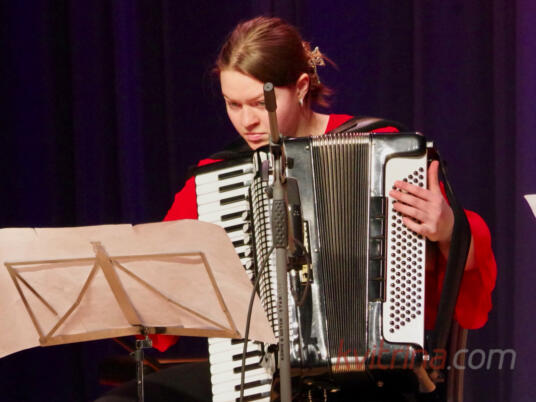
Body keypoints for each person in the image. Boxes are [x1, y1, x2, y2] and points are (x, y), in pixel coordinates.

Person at [99, 16, 497, 402]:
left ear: (302, 86)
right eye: (233, 104)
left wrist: (447, 229)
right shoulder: (214, 183)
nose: (246, 121)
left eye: (259, 104)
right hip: (257, 370)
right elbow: (161, 283)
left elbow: (468, 264)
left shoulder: (383, 149)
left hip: (374, 375)